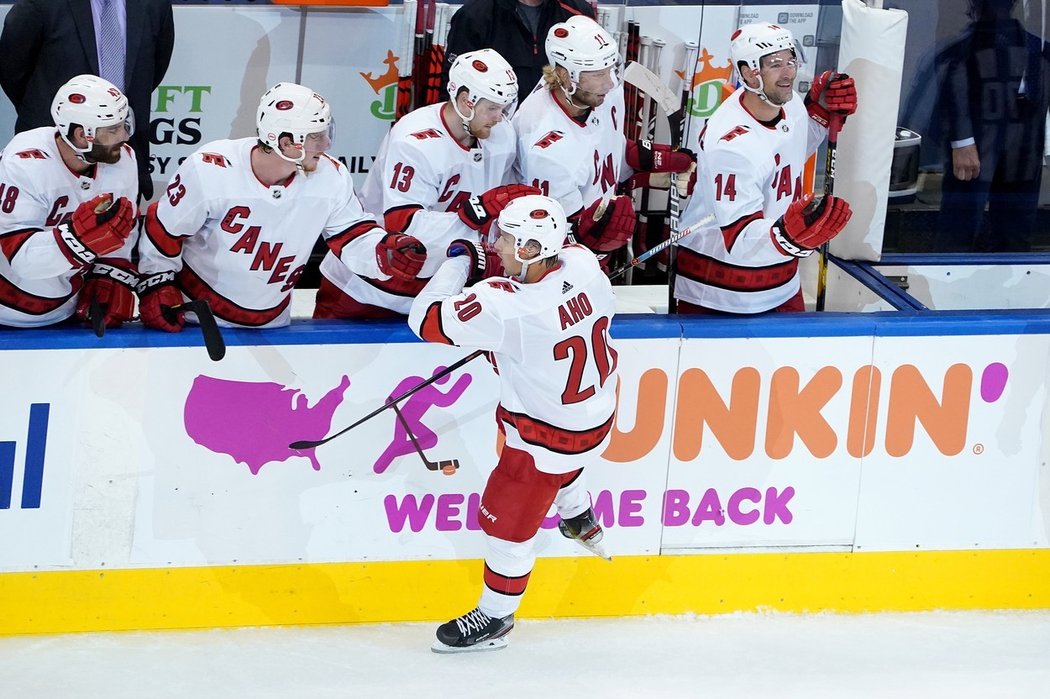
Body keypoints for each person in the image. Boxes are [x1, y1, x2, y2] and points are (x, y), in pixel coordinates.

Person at [408, 194, 618, 653]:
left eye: (505, 237)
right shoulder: (583, 266)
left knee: (506, 530)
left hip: (546, 435)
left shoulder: (504, 306)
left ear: (527, 250)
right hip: (596, 419)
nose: (496, 243)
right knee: (564, 465)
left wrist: (459, 261)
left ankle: (496, 618)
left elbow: (424, 319)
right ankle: (577, 516)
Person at [137, 82, 406, 331]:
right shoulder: (210, 169)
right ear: (286, 142)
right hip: (197, 320)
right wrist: (156, 284)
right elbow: (164, 229)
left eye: (326, 133)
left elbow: (352, 235)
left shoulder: (331, 177)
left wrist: (385, 253)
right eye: (316, 137)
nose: (325, 145)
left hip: (274, 323)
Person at [315, 48, 537, 319]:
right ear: (466, 100)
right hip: (367, 285)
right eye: (492, 108)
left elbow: (496, 208)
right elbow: (404, 227)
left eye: (504, 107)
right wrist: (475, 213)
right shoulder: (415, 140)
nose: (499, 117)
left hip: (436, 289)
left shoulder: (500, 135)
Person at [673, 21, 856, 314]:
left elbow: (794, 149)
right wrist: (790, 237)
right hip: (723, 294)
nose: (788, 73)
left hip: (780, 280)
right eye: (774, 64)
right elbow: (741, 241)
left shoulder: (790, 103)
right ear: (747, 72)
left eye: (790, 60)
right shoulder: (732, 144)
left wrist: (821, 113)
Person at [512, 15, 696, 261]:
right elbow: (559, 242)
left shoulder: (597, 92)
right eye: (598, 74)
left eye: (610, 69)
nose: (610, 82)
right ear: (565, 76)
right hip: (564, 259)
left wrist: (658, 165)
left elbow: (610, 148)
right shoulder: (546, 147)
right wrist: (600, 250)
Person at [0, 0, 175, 201]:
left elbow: (155, 68)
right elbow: (12, 68)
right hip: (53, 157)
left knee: (119, 228)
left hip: (119, 154)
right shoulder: (42, 3)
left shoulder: (155, 3)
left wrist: (111, 124)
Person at [0, 75, 138, 329]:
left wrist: (109, 273)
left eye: (123, 125)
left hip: (67, 312)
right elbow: (20, 258)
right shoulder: (24, 163)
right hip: (6, 311)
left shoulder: (124, 161)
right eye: (112, 130)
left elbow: (121, 232)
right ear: (81, 135)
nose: (124, 137)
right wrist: (79, 239)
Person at [934, 0, 1049, 252]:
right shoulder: (972, 33)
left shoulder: (1037, 22)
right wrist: (962, 139)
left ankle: (1011, 284)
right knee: (961, 225)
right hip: (980, 130)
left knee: (1017, 227)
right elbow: (953, 70)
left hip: (1027, 132)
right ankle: (948, 283)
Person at [443, 0, 595, 105]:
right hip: (494, 129)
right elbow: (453, 84)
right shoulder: (474, 16)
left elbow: (595, 75)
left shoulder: (578, 14)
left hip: (559, 131)